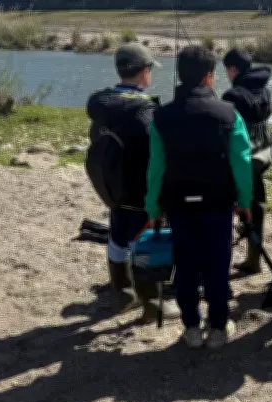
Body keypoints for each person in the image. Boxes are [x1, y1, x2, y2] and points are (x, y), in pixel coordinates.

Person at [146, 45, 253, 349]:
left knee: (186, 265)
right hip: (218, 205)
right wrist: (244, 202)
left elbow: (156, 168)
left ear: (181, 75)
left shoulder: (161, 117)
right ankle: (218, 328)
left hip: (178, 206)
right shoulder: (229, 114)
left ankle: (191, 327)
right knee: (218, 266)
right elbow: (242, 163)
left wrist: (152, 206)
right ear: (209, 77)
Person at [86, 42, 181, 323]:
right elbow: (161, 156)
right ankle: (152, 306)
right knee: (147, 244)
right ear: (145, 72)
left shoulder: (101, 104)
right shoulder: (146, 112)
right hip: (141, 191)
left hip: (112, 188)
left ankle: (124, 293)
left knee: (118, 236)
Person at [222, 49, 272, 274]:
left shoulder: (233, 96)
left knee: (238, 207)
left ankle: (245, 260)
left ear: (233, 69)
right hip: (263, 155)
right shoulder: (265, 90)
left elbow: (227, 132)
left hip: (243, 158)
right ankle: (254, 258)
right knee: (256, 204)